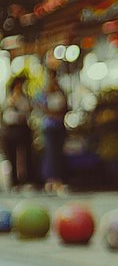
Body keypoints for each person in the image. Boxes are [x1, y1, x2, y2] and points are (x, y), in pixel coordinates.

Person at [39, 56, 70, 195]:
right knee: (51, 153)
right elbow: (40, 107)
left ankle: (58, 180)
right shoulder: (44, 93)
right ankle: (50, 180)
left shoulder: (60, 90)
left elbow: (65, 107)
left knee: (58, 153)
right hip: (50, 126)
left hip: (58, 125)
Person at [1, 74, 36, 191]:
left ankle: (28, 180)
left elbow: (28, 110)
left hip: (22, 129)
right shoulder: (8, 98)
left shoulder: (25, 98)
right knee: (12, 155)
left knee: (26, 154)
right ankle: (14, 182)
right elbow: (6, 115)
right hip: (11, 129)